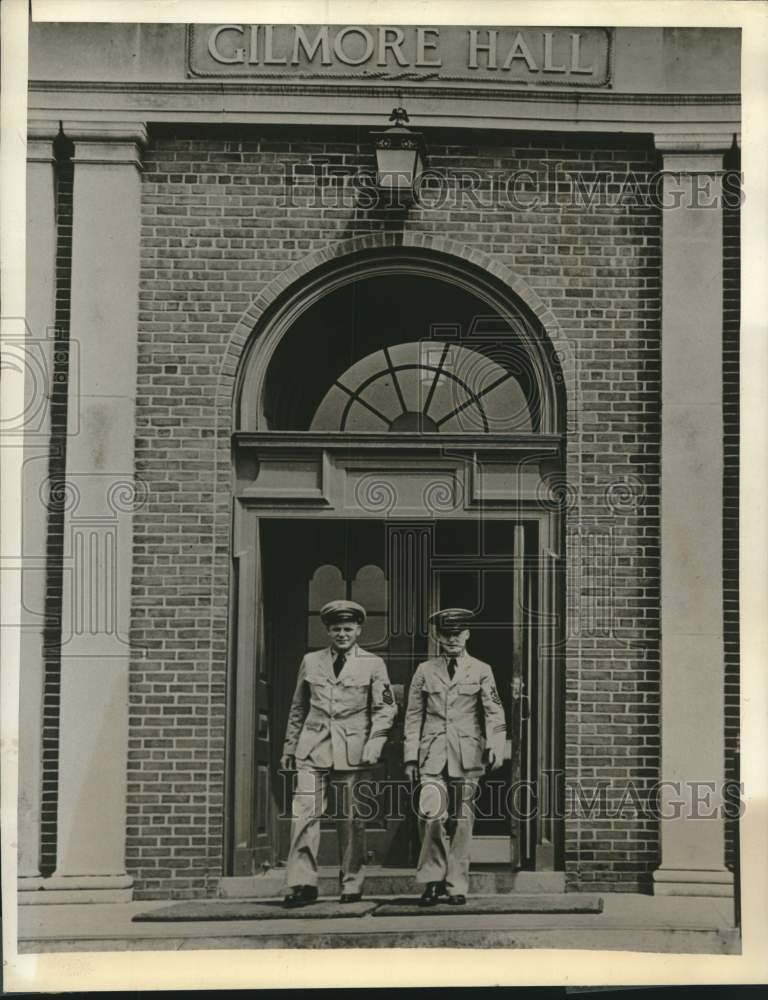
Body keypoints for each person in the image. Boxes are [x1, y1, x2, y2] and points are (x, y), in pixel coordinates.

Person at [280, 600, 397, 908]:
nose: (342, 634)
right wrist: (290, 747)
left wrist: (376, 741)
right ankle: (302, 884)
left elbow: (385, 708)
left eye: (348, 629)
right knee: (304, 814)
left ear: (359, 630)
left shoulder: (373, 664)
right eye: (336, 629)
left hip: (354, 750)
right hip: (313, 747)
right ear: (328, 631)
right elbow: (298, 708)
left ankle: (352, 883)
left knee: (351, 819)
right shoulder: (311, 661)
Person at [403, 607, 507, 906]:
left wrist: (496, 743)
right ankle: (431, 881)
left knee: (463, 820)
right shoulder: (425, 670)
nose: (452, 640)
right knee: (432, 815)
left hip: (467, 753)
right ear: (437, 636)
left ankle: (456, 884)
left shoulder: (481, 670)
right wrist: (411, 757)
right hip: (432, 753)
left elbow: (494, 710)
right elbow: (413, 716)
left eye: (457, 633)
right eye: (446, 634)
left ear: (467, 634)